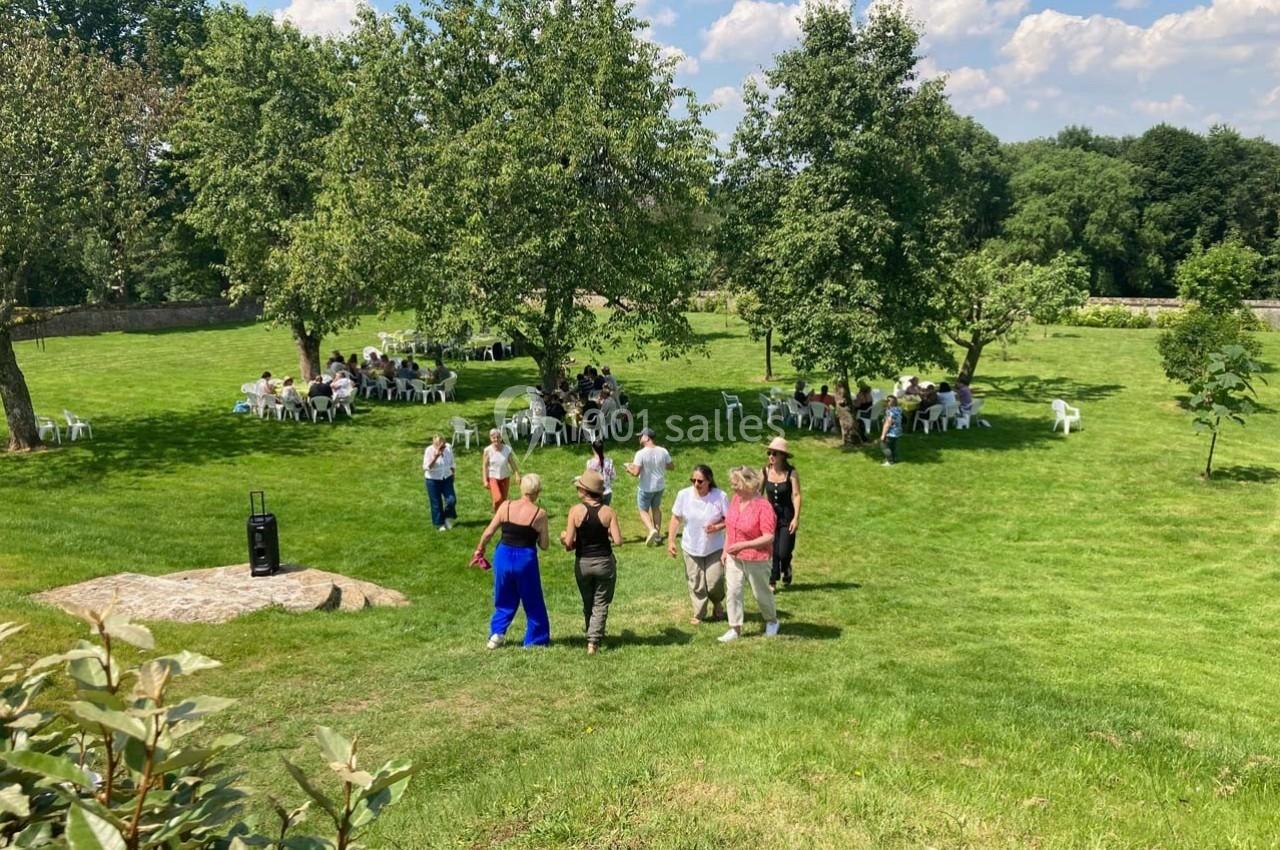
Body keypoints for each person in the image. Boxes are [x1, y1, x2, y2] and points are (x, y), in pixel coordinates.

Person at [474, 475, 550, 649]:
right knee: (532, 599)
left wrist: (480, 549)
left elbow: (488, 532)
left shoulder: (505, 506)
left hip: (503, 555)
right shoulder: (540, 514)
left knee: (503, 596)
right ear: (538, 492)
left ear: (521, 488)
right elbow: (544, 545)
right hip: (525, 559)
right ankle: (535, 640)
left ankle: (496, 634)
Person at [561, 469, 623, 655]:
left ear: (585, 491)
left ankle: (592, 634)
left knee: (588, 601)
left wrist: (564, 536)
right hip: (604, 562)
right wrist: (608, 533)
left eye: (579, 487)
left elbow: (569, 543)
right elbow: (619, 541)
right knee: (601, 602)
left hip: (583, 563)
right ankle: (593, 641)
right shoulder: (608, 512)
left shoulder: (575, 511)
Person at [719, 466, 779, 642]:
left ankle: (772, 621)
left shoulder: (764, 506)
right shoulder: (736, 500)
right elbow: (730, 527)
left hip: (757, 558)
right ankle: (734, 628)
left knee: (760, 593)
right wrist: (725, 550)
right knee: (733, 591)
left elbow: (769, 537)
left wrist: (743, 545)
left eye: (736, 483)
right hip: (734, 556)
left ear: (748, 483)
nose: (733, 487)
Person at [667, 464, 729, 625]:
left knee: (715, 581)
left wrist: (717, 527)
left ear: (709, 481)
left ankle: (717, 603)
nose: (696, 484)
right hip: (691, 546)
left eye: (700, 481)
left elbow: (728, 519)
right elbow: (676, 518)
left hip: (714, 547)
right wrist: (671, 541)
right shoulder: (683, 495)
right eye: (693, 480)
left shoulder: (720, 496)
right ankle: (699, 613)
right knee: (696, 581)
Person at [763, 437, 802, 592]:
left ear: (783, 456)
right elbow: (758, 494)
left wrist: (796, 518)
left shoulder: (791, 473)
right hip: (770, 517)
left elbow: (797, 495)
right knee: (772, 550)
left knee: (784, 552)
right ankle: (772, 580)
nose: (771, 456)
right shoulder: (765, 471)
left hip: (787, 516)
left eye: (774, 453)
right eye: (769, 453)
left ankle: (787, 567)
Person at [626, 428, 674, 546]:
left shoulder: (640, 453)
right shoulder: (663, 451)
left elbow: (636, 473)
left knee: (643, 511)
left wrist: (628, 469)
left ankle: (651, 529)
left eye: (641, 436)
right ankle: (657, 535)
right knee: (656, 509)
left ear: (647, 438)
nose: (639, 438)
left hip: (645, 487)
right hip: (659, 486)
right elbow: (671, 466)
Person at [423, 435, 457, 532]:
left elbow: (452, 462)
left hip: (446, 477)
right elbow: (426, 467)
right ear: (434, 444)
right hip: (433, 480)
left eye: (444, 445)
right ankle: (440, 523)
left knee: (451, 500)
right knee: (436, 503)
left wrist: (453, 473)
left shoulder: (448, 448)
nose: (443, 448)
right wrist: (435, 456)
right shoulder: (429, 450)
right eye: (440, 446)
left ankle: (447, 517)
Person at [482, 429, 519, 511]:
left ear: (501, 438)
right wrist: (485, 480)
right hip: (493, 477)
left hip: (505, 477)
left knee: (503, 500)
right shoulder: (487, 450)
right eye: (494, 438)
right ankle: (498, 513)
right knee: (498, 498)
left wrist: (517, 474)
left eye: (498, 437)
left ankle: (498, 515)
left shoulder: (507, 449)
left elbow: (512, 463)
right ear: (490, 439)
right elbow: (484, 466)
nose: (496, 439)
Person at [585, 440, 616, 506]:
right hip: (607, 492)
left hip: (595, 493)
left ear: (593, 449)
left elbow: (589, 480)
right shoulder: (610, 462)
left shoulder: (589, 463)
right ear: (603, 448)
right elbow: (613, 476)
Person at [880, 395, 902, 466]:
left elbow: (887, 424)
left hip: (890, 432)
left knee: (884, 446)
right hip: (897, 432)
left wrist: (883, 435)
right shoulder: (898, 409)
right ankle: (894, 458)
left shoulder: (890, 411)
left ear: (889, 402)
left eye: (887, 401)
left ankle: (890, 461)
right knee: (893, 446)